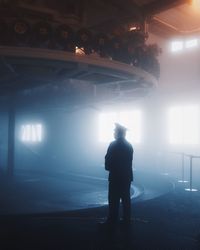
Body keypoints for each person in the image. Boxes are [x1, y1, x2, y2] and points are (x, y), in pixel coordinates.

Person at [105, 123, 134, 229]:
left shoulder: (113, 144)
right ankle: (126, 220)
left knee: (113, 200)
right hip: (126, 176)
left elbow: (108, 162)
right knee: (126, 199)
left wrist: (109, 167)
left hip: (115, 177)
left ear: (118, 132)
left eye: (114, 131)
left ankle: (112, 221)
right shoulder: (129, 145)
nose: (113, 133)